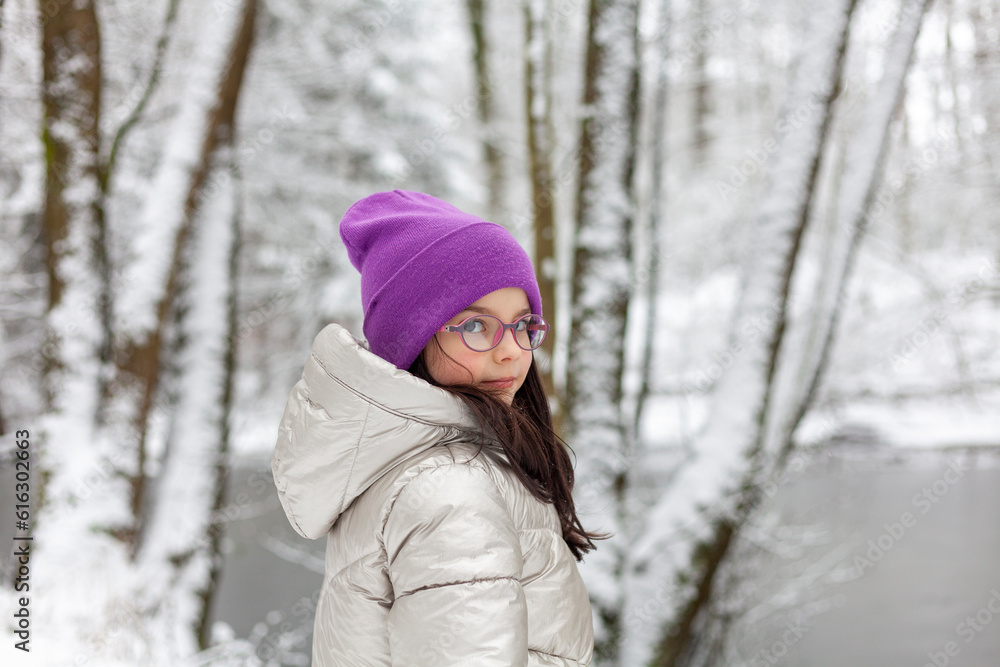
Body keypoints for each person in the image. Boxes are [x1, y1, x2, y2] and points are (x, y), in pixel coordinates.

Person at [272, 190, 605, 666]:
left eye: (523, 325)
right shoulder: (449, 488)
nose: (512, 351)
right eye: (476, 326)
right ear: (413, 338)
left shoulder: (406, 466)